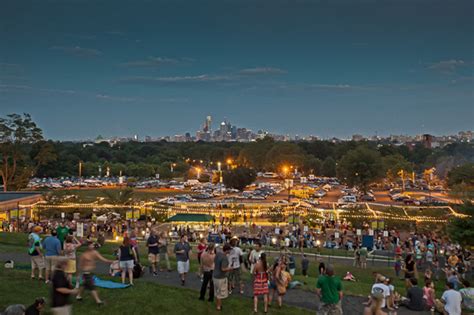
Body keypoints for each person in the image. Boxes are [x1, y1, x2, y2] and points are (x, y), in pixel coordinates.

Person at [213, 243, 232, 311]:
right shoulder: (224, 257)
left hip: (215, 276)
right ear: (227, 250)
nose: (230, 251)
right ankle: (219, 306)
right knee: (220, 293)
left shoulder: (218, 254)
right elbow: (223, 269)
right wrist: (230, 268)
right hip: (221, 277)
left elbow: (214, 261)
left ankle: (218, 304)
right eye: (229, 250)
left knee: (217, 291)